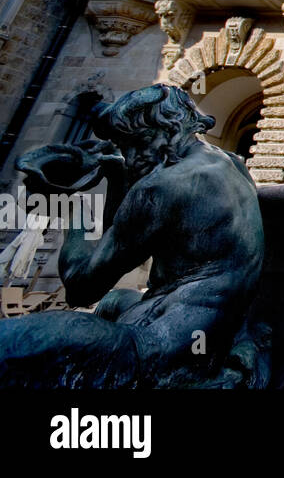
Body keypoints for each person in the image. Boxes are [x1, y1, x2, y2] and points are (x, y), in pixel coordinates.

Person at [0, 85, 264, 388]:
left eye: (127, 145)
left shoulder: (161, 187)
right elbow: (117, 241)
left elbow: (80, 287)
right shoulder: (230, 163)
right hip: (214, 334)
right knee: (115, 300)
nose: (127, 156)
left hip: (163, 349)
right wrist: (118, 180)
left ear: (153, 136)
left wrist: (71, 205)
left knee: (16, 342)